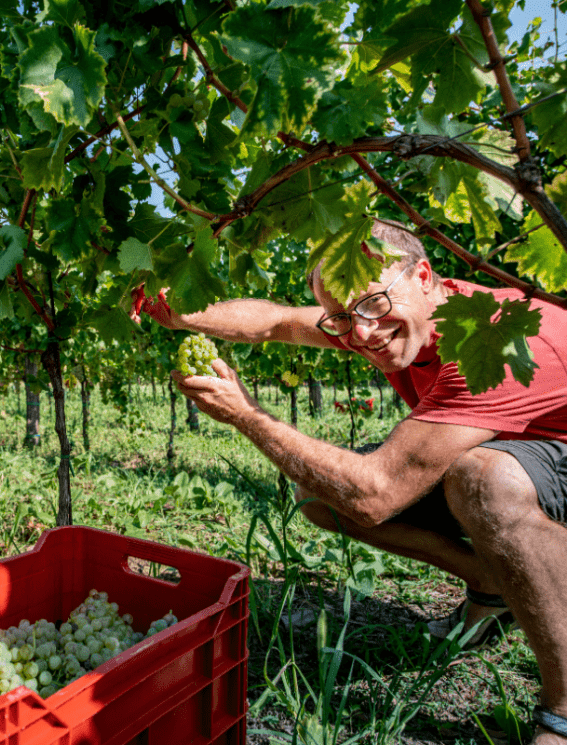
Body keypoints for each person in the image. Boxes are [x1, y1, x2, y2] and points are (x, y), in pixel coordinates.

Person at [137, 221, 567, 744]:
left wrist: (248, 416)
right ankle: (490, 581)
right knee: (318, 492)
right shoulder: (380, 318)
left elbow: (376, 494)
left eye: (371, 305)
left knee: (484, 479)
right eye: (341, 316)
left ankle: (563, 710)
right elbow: (275, 321)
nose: (361, 333)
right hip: (524, 448)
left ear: (425, 276)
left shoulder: (494, 339)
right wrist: (182, 314)